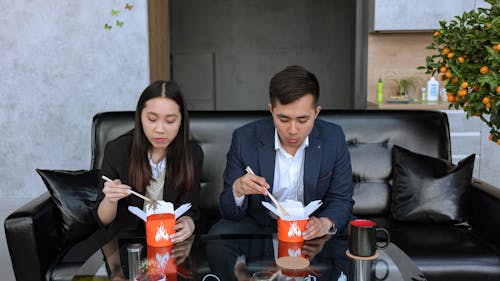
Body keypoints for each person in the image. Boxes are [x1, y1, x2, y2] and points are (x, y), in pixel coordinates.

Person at [214, 65, 354, 240]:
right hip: (261, 226)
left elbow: (341, 198)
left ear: (316, 113)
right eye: (283, 119)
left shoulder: (333, 137)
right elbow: (228, 211)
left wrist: (325, 222)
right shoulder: (244, 139)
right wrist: (238, 191)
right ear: (271, 110)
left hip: (312, 227)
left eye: (302, 119)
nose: (293, 130)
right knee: (220, 233)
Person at [94, 80, 203, 280]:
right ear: (140, 118)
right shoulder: (117, 150)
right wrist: (110, 198)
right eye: (152, 119)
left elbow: (191, 207)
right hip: (128, 244)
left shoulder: (192, 154)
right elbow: (103, 220)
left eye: (170, 121)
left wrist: (189, 222)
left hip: (168, 243)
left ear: (181, 121)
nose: (160, 129)